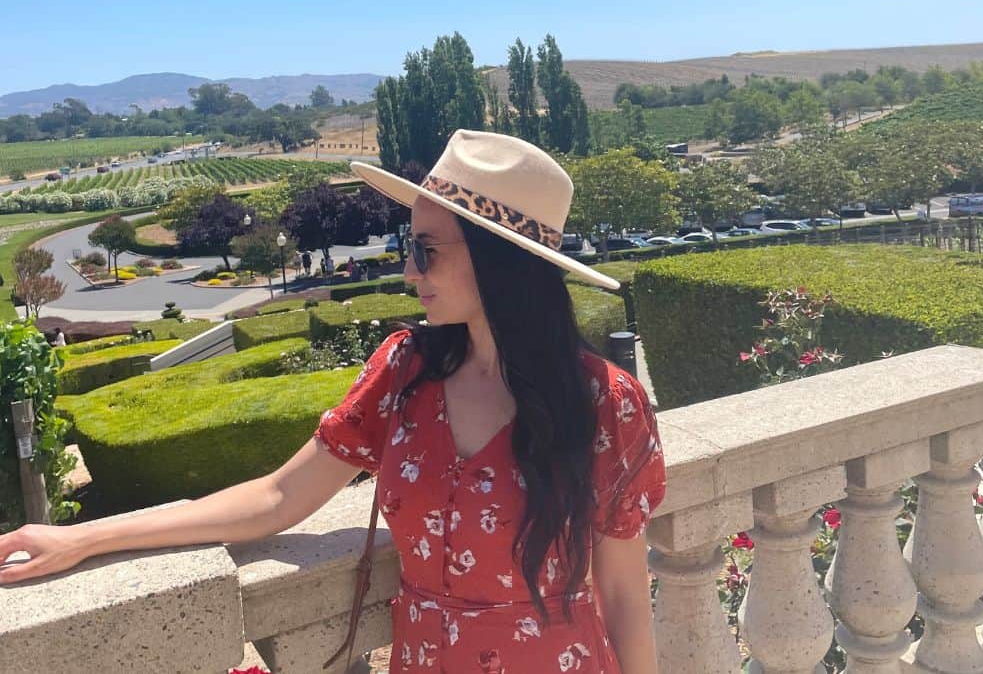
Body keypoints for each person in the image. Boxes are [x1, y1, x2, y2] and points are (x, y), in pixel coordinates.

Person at [0, 130, 666, 673]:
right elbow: (276, 498)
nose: (408, 270)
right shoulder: (405, 376)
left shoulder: (606, 404)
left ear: (502, 262)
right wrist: (85, 535)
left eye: (425, 250)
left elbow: (625, 598)